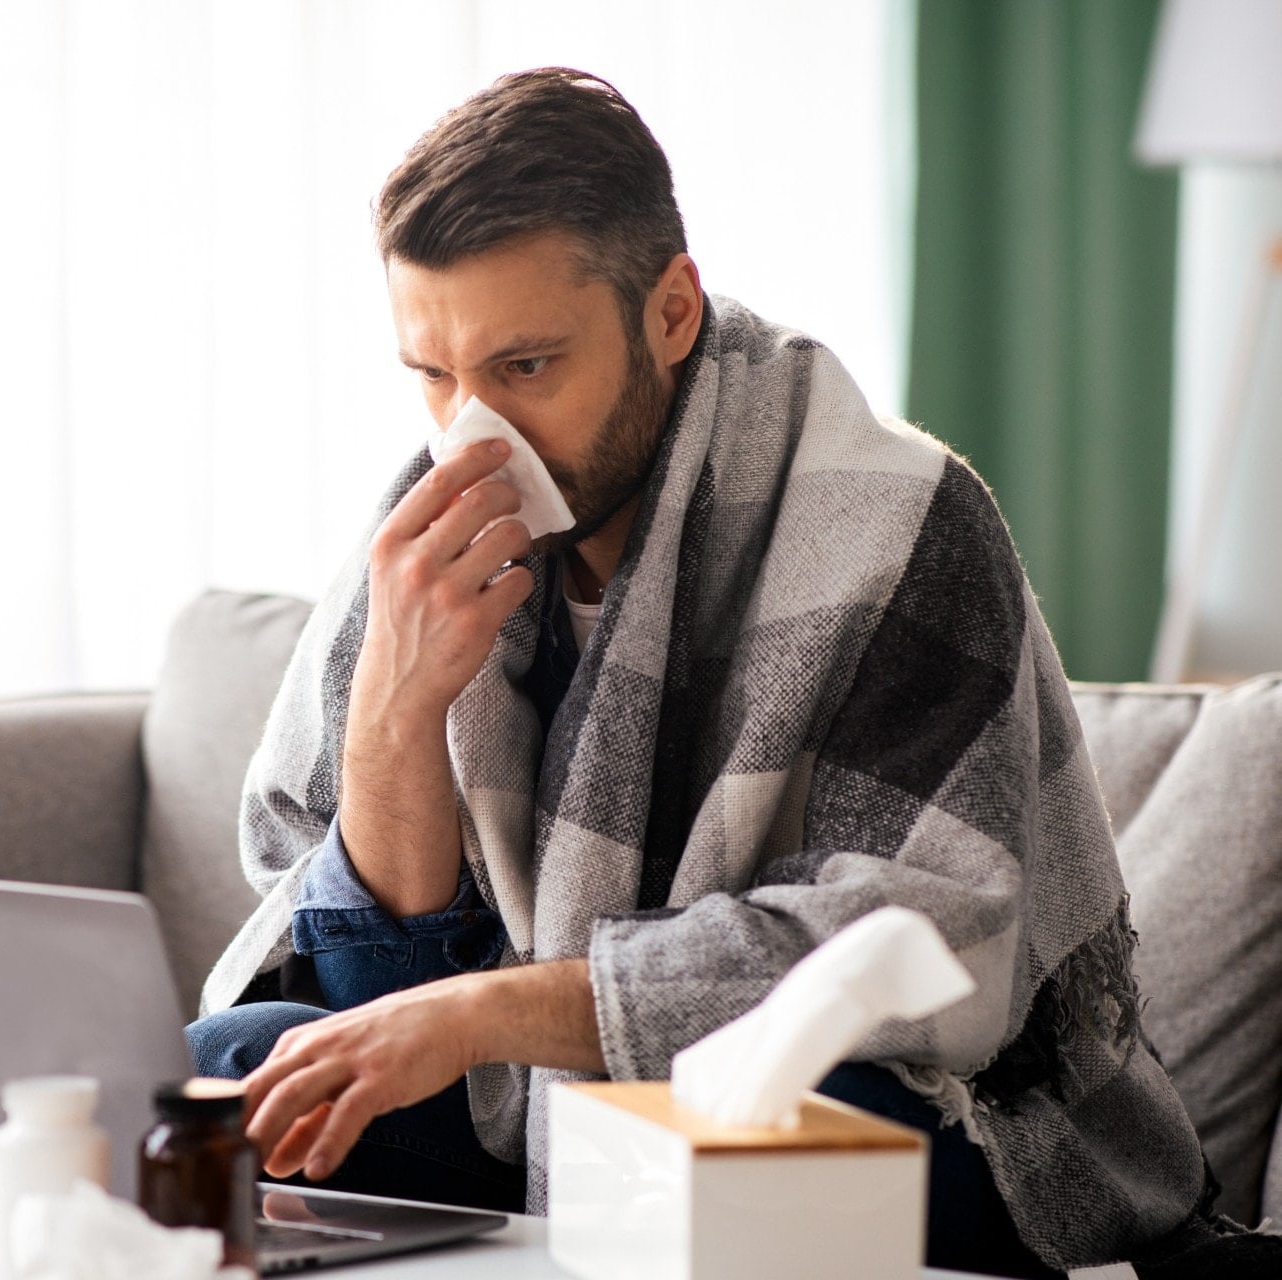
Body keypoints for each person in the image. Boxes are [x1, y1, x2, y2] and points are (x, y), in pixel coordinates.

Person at [188, 68, 1272, 1279]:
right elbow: (367, 986)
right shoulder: (422, 535)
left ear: (670, 311)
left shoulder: (894, 526)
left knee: (789, 1120)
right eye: (434, 375)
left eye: (527, 366)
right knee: (242, 1068)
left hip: (932, 1111)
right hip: (535, 1108)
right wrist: (398, 708)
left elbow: (910, 948)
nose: (472, 435)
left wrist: (483, 1015)